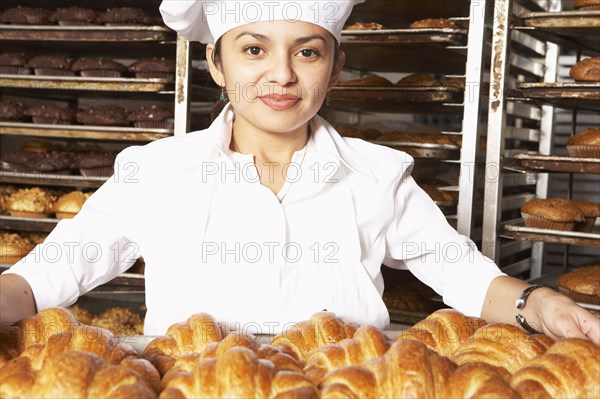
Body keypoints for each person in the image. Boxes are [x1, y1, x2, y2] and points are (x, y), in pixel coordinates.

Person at [1, 0, 598, 345]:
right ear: (215, 61)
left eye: (307, 51)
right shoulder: (157, 173)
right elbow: (51, 270)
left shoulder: (377, 174)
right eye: (254, 50)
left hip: (346, 384)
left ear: (334, 68)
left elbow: (463, 273)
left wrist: (540, 305)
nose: (282, 76)